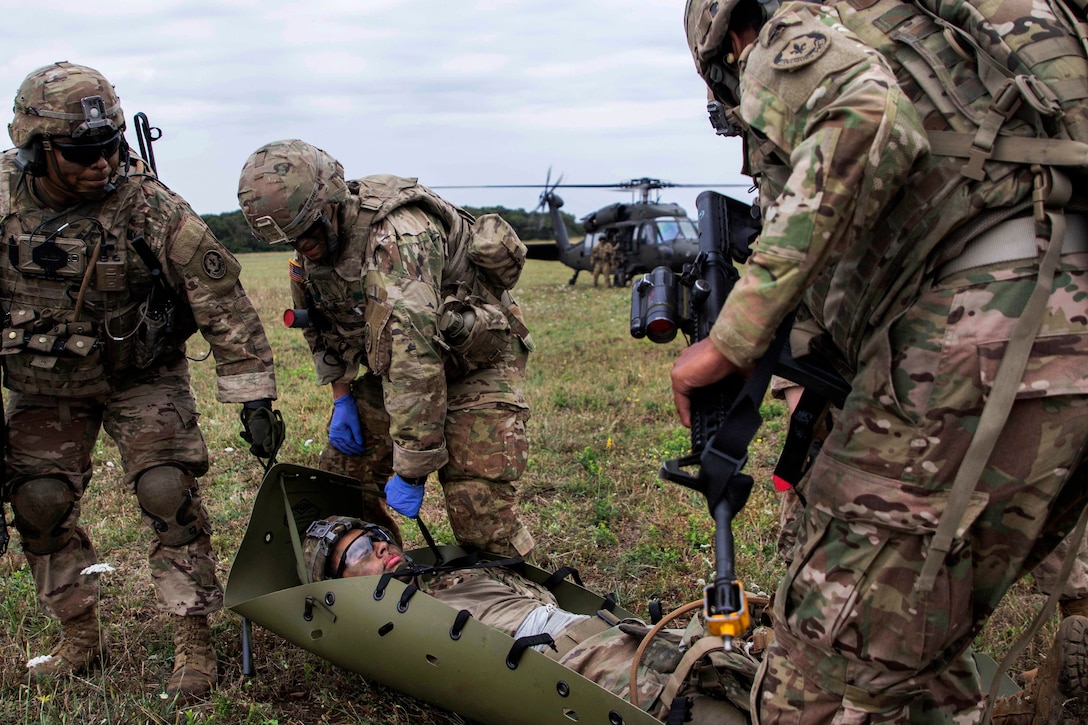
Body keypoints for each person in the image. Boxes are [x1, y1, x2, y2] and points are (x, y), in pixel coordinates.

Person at [678, 1, 1088, 722]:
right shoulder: (979, 39)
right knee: (922, 637)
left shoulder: (782, 32)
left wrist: (734, 336)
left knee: (816, 682)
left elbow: (865, 116)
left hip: (996, 329)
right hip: (1053, 332)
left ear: (728, 39)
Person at [1, 62, 280, 699]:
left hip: (141, 376)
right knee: (36, 503)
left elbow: (221, 301)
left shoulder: (146, 201)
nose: (102, 163)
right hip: (44, 383)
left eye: (111, 145)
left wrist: (252, 394)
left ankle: (194, 641)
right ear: (38, 149)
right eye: (82, 151)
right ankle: (79, 634)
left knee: (166, 490)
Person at [237, 139, 534, 556]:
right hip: (397, 367)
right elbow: (320, 328)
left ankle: (518, 607)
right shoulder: (308, 253)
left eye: (306, 232)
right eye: (290, 238)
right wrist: (343, 401)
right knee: (341, 485)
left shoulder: (398, 238)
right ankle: (377, 575)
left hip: (477, 362)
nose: (300, 245)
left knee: (477, 510)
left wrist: (412, 470)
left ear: (330, 204)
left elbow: (415, 359)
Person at [301, 515, 761, 724]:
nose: (380, 547)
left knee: (752, 663)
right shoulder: (392, 628)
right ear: (343, 583)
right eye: (360, 550)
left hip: (614, 632)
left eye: (377, 536)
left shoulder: (447, 571)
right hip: (578, 665)